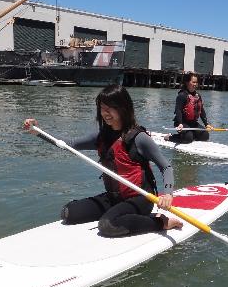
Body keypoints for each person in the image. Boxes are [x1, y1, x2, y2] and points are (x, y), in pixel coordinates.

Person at [23, 84, 183, 237]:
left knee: (107, 225)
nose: (104, 113)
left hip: (140, 199)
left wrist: (168, 194)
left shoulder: (138, 138)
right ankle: (118, 213)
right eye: (102, 109)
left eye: (109, 109)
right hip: (114, 197)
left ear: (122, 108)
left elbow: (166, 166)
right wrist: (37, 131)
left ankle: (160, 222)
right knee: (69, 213)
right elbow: (68, 144)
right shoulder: (101, 136)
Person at [165, 72, 213, 144]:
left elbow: (202, 111)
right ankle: (170, 137)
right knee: (188, 138)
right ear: (187, 82)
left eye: (196, 82)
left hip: (193, 123)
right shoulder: (182, 95)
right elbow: (178, 111)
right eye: (193, 82)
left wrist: (206, 124)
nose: (195, 84)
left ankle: (191, 135)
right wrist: (180, 123)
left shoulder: (198, 96)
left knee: (205, 135)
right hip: (181, 123)